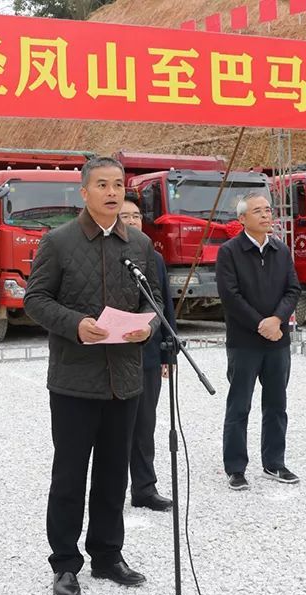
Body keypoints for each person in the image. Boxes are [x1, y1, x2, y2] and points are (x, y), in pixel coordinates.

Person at [24, 156, 161, 595]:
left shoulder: (138, 243)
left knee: (112, 474)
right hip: (74, 381)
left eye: (118, 184)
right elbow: (35, 300)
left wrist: (148, 326)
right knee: (70, 473)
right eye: (101, 184)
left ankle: (107, 555)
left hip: (124, 378)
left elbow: (153, 299)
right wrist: (75, 324)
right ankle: (64, 563)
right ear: (83, 193)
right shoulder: (59, 242)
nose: (111, 192)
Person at [216, 192, 302, 490]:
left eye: (268, 210)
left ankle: (274, 463)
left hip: (277, 340)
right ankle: (236, 467)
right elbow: (230, 296)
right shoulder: (229, 252)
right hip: (244, 342)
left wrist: (277, 320)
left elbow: (293, 289)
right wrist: (260, 324)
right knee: (239, 406)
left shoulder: (281, 249)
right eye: (258, 211)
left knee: (277, 404)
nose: (266, 215)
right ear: (242, 219)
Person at [119, 193, 175, 512]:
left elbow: (164, 305)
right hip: (114, 354)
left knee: (145, 425)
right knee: (115, 428)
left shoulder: (153, 258)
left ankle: (144, 487)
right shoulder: (109, 254)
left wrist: (169, 354)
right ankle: (111, 487)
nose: (132, 221)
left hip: (149, 354)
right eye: (125, 217)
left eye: (137, 216)